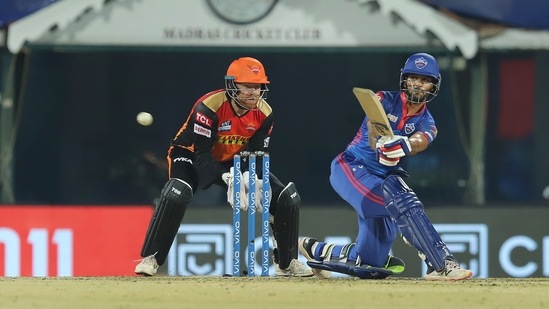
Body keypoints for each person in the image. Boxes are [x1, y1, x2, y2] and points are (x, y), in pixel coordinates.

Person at [299, 53, 473, 281]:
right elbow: (374, 128)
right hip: (351, 168)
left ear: (434, 85)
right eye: (413, 78)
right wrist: (382, 143)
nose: (417, 84)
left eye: (424, 79)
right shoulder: (383, 99)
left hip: (384, 181)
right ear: (404, 80)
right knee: (405, 203)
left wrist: (406, 145)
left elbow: (421, 141)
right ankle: (442, 265)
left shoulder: (428, 123)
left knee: (371, 260)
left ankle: (316, 250)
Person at [134, 56, 312, 277]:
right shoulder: (208, 107)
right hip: (190, 155)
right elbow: (202, 156)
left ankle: (286, 263)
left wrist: (250, 177)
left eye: (258, 87)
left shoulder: (265, 113)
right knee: (177, 193)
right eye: (247, 86)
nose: (253, 93)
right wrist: (231, 177)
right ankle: (151, 258)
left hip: (232, 159)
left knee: (286, 197)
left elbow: (257, 154)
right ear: (231, 85)